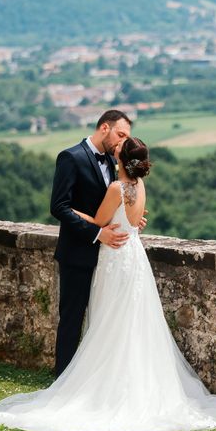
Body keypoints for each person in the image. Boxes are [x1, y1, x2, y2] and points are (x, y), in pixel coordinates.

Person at [0, 137, 216, 431]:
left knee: (108, 319)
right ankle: (132, 387)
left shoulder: (117, 188)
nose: (115, 149)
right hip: (134, 255)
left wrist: (75, 213)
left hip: (115, 258)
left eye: (119, 149)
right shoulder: (140, 185)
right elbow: (133, 220)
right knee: (132, 323)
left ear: (122, 159)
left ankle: (108, 390)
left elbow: (99, 220)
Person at [47, 109, 136, 377]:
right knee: (72, 320)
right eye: (120, 135)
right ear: (104, 127)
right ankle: (62, 379)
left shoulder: (113, 160)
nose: (122, 143)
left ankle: (91, 379)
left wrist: (129, 219)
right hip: (77, 253)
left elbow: (109, 204)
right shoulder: (70, 157)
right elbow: (59, 207)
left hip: (110, 256)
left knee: (103, 320)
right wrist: (98, 233)